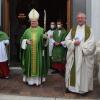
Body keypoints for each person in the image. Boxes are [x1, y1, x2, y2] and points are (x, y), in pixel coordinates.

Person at [64, 12, 95, 94]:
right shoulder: (73, 29)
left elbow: (91, 43)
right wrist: (73, 43)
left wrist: (81, 47)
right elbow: (67, 40)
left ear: (85, 19)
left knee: (83, 73)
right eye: (78, 18)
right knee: (71, 71)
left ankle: (82, 90)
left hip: (83, 56)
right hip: (73, 55)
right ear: (77, 19)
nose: (80, 19)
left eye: (82, 18)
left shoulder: (89, 30)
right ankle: (71, 88)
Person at [21, 8, 48, 86]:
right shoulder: (27, 31)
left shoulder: (41, 30)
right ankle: (29, 81)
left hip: (38, 52)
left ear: (37, 22)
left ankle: (37, 81)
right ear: (30, 22)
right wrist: (26, 41)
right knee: (29, 65)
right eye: (32, 21)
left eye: (35, 21)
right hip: (28, 54)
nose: (33, 23)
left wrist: (45, 39)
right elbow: (21, 39)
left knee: (38, 66)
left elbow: (45, 44)